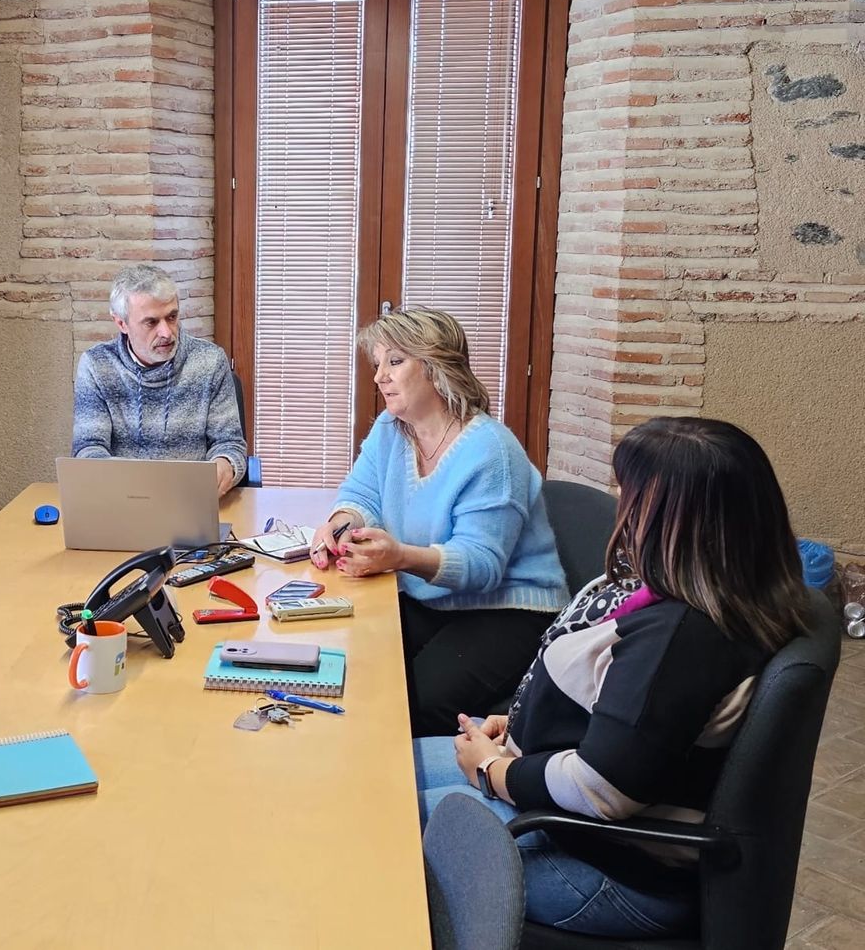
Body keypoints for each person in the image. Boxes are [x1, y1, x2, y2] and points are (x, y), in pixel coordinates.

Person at [413, 416, 811, 937]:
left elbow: (602, 789)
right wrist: (521, 722)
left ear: (676, 519)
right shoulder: (708, 597)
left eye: (631, 493)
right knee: (381, 773)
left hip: (601, 863)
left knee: (380, 819)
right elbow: (628, 717)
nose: (620, 504)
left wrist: (492, 770)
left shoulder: (684, 639)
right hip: (560, 805)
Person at [308, 308, 567, 736]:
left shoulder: (491, 451)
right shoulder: (391, 428)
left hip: (507, 610)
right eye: (378, 363)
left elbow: (482, 565)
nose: (379, 377)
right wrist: (341, 523)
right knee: (349, 666)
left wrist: (398, 557)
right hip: (429, 596)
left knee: (410, 706)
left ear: (436, 367)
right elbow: (363, 493)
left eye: (395, 361)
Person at [72, 264, 247, 496]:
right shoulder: (97, 365)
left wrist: (225, 465)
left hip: (192, 499)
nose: (166, 332)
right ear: (121, 323)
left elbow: (230, 445)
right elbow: (88, 449)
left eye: (172, 317)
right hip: (122, 499)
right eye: (151, 322)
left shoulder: (210, 361)